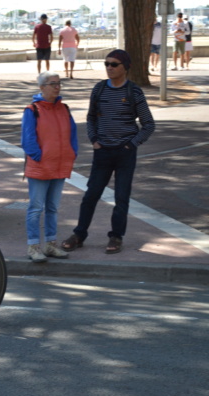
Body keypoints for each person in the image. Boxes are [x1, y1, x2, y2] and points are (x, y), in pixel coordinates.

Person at [61, 50, 155, 255]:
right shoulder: (99, 89)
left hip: (125, 153)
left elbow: (148, 124)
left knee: (122, 198)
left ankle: (116, 237)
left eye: (114, 64)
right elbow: (91, 118)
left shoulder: (134, 92)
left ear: (125, 68)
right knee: (91, 195)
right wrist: (94, 140)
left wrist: (131, 144)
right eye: (107, 64)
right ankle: (79, 234)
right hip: (102, 152)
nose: (109, 68)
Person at [21, 71, 78, 262]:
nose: (57, 87)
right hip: (41, 166)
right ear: (42, 87)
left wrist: (72, 152)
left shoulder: (64, 108)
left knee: (53, 207)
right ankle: (33, 246)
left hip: (59, 164)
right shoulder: (33, 110)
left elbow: (73, 134)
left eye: (59, 83)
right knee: (36, 208)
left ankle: (51, 244)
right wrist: (39, 156)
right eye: (53, 83)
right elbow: (27, 139)